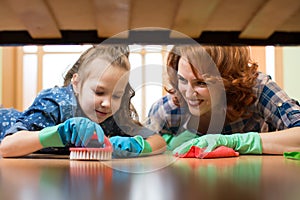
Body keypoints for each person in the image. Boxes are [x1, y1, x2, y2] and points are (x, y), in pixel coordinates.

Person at [0, 45, 166, 158]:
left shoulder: (114, 115)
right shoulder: (55, 103)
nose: (107, 103)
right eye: (99, 92)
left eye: (116, 96)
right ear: (77, 84)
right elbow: (7, 146)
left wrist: (134, 145)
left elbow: (158, 141)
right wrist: (58, 133)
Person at [145, 45, 300, 157]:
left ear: (228, 80)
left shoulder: (257, 89)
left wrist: (239, 141)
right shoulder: (168, 109)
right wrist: (164, 144)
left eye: (201, 83)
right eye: (182, 80)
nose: (189, 93)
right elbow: (144, 143)